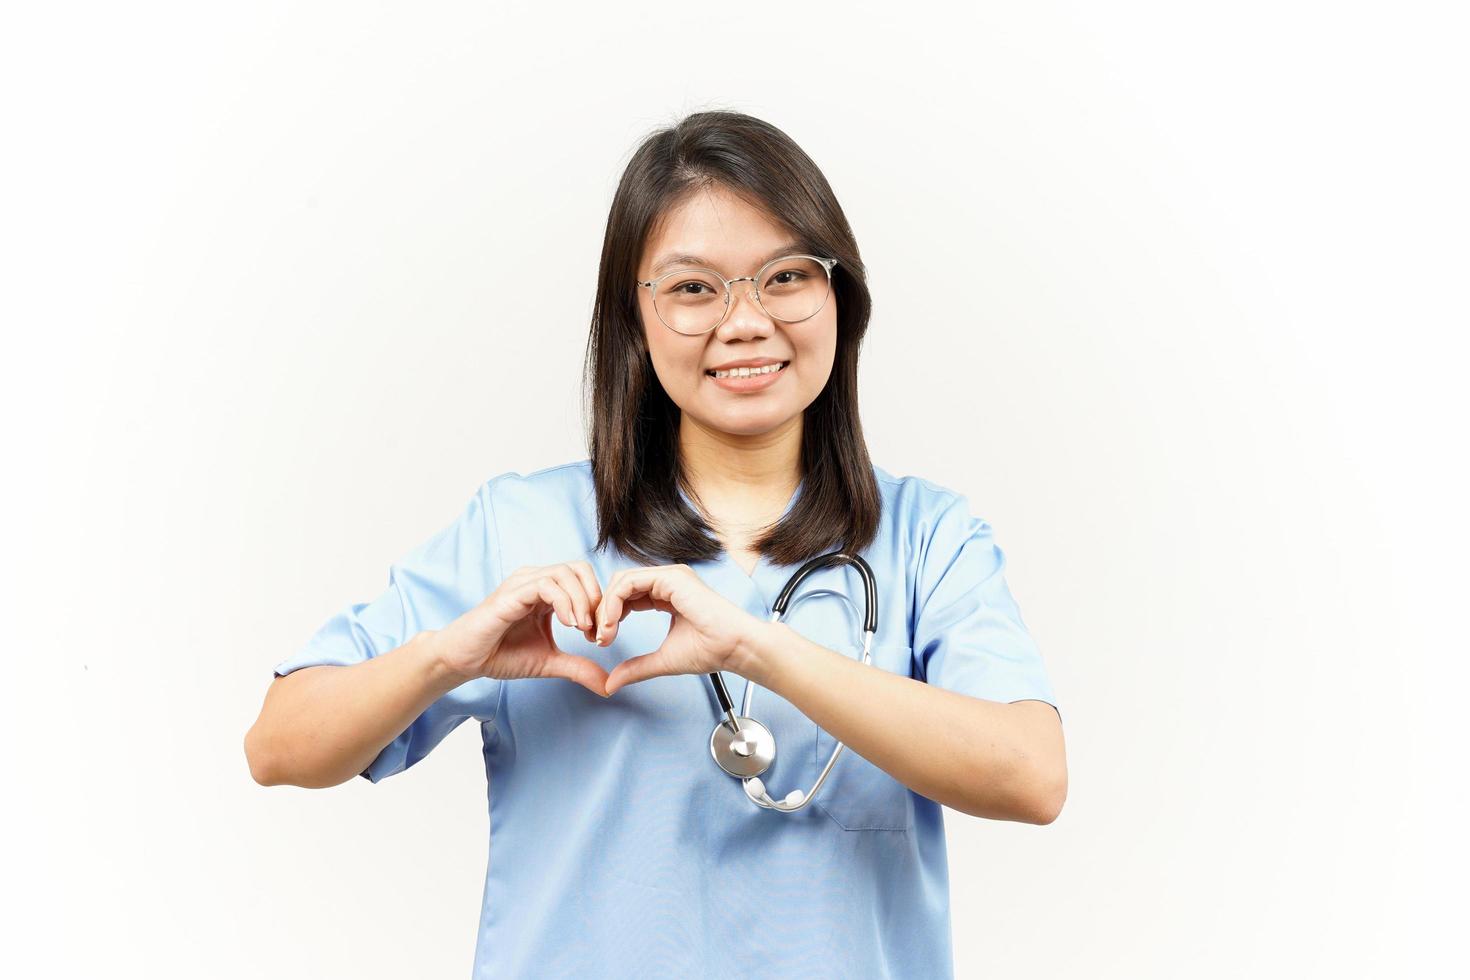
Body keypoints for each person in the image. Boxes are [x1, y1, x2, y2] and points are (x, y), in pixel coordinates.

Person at [245, 109, 1067, 978]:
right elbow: (278, 745)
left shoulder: (927, 539)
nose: (746, 322)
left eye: (786, 277)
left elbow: (1031, 775)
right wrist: (449, 656)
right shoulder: (524, 530)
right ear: (633, 319)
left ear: (840, 297)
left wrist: (759, 649)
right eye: (693, 288)